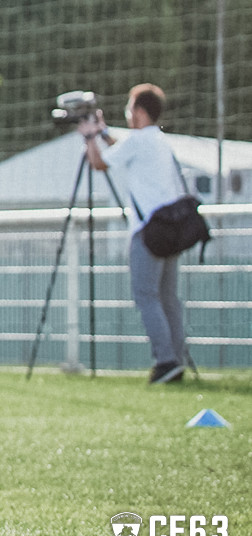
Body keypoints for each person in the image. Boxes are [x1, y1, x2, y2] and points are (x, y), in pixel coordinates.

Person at [81, 83, 190, 384]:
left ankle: (165, 361)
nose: (128, 115)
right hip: (170, 231)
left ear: (139, 112)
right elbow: (123, 148)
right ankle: (176, 360)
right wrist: (103, 133)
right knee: (169, 299)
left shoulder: (138, 140)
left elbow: (100, 163)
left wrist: (90, 138)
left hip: (148, 232)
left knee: (146, 295)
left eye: (130, 109)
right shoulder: (157, 140)